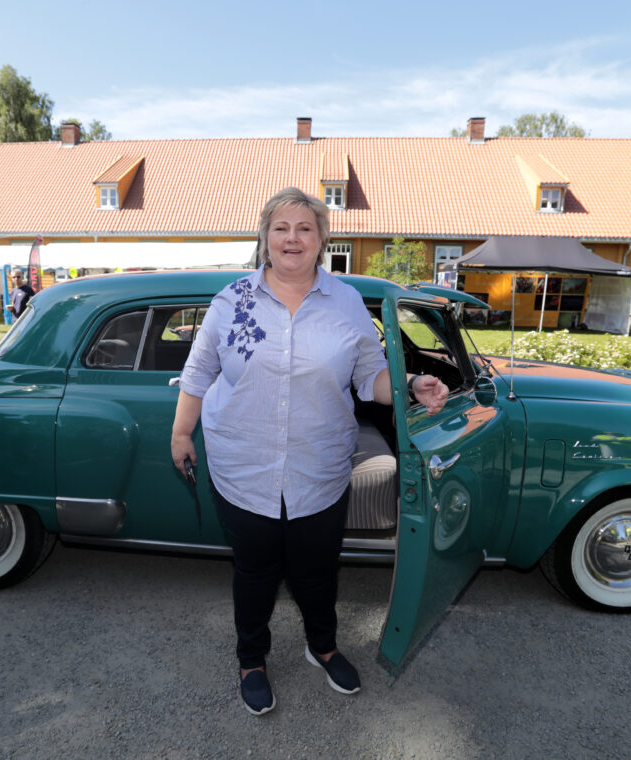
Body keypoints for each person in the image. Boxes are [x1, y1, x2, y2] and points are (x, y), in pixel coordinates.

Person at [171, 187, 448, 715]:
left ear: (322, 239)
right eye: (281, 228)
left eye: (304, 228)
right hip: (243, 467)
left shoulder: (346, 302)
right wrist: (182, 433)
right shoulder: (232, 301)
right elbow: (199, 371)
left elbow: (369, 375)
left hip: (319, 467)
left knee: (317, 571)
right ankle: (251, 660)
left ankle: (322, 647)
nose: (292, 238)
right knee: (254, 571)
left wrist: (410, 385)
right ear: (265, 237)